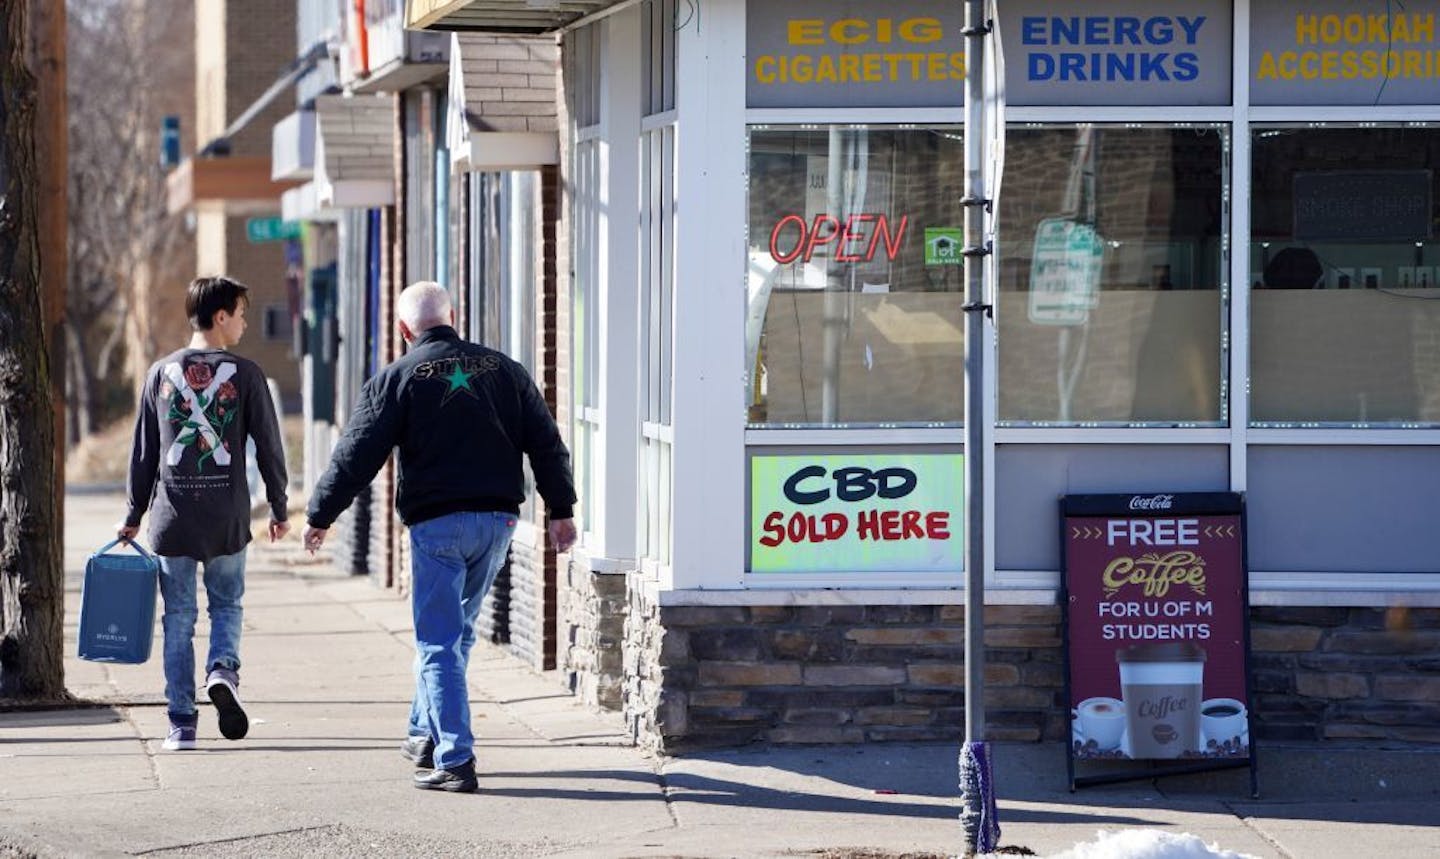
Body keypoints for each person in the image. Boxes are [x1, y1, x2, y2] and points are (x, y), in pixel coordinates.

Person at [302, 281, 577, 794]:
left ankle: (455, 758)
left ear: (404, 329)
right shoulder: (506, 371)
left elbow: (356, 454)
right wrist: (560, 509)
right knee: (457, 635)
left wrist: (321, 514)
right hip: (497, 524)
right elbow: (546, 442)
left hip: (437, 527)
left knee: (438, 642)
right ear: (456, 315)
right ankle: (421, 733)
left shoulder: (397, 378)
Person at [121, 276, 290, 751]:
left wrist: (134, 513)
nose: (243, 322)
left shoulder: (160, 373)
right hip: (228, 518)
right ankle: (222, 670)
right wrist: (278, 506)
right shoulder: (246, 374)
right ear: (220, 317)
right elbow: (270, 449)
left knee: (177, 617)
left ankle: (181, 724)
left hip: (172, 520)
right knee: (227, 605)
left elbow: (144, 454)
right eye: (240, 313)